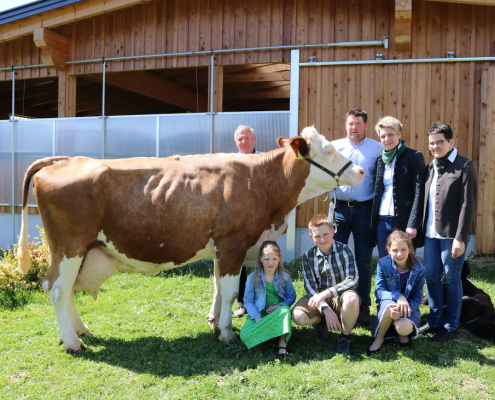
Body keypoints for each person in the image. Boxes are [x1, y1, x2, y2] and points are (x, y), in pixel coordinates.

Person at [419, 122, 478, 342]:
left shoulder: (464, 165)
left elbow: (467, 205)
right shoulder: (430, 167)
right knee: (431, 277)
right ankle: (435, 321)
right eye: (431, 143)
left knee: (452, 279)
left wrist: (460, 239)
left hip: (452, 236)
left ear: (450, 142)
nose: (435, 147)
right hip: (431, 234)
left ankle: (451, 325)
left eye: (439, 142)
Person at [329, 108, 383, 325]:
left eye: (358, 124)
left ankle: (363, 307)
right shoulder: (334, 147)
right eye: (350, 123)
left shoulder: (377, 148)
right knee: (336, 258)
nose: (354, 128)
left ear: (366, 126)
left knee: (363, 260)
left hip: (364, 210)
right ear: (346, 125)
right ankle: (336, 304)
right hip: (339, 209)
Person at [292, 214, 360, 355]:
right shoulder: (308, 256)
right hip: (317, 297)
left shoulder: (344, 250)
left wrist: (327, 293)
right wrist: (325, 309)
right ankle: (322, 322)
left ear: (333, 231)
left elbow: (353, 279)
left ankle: (344, 337)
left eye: (325, 234)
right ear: (311, 237)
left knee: (352, 299)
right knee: (298, 316)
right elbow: (310, 287)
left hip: (340, 297)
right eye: (317, 236)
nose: (322, 239)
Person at [371, 116, 426, 258]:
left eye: (390, 135)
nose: (387, 139)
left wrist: (413, 223)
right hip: (382, 220)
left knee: (403, 262)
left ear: (399, 134)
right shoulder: (380, 160)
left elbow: (419, 193)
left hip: (403, 220)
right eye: (383, 136)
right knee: (385, 261)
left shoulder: (413, 156)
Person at [367, 230, 425, 355]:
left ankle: (399, 332)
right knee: (390, 306)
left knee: (403, 328)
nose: (399, 254)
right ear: (388, 249)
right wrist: (398, 297)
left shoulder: (419, 269)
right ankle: (379, 338)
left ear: (410, 249)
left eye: (403, 249)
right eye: (395, 250)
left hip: (409, 309)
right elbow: (379, 292)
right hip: (388, 306)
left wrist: (403, 310)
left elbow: (417, 298)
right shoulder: (383, 264)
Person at [240, 240, 296, 356]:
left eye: (274, 259)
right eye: (267, 259)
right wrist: (256, 318)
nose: (271, 262)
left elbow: (291, 296)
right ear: (260, 259)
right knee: (244, 334)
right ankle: (269, 332)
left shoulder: (284, 277)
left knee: (285, 311)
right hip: (261, 315)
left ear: (279, 258)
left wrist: (279, 306)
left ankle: (281, 342)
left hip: (278, 315)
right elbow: (248, 300)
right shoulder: (253, 277)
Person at [232, 125, 262, 318]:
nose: (244, 142)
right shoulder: (231, 162)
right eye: (240, 139)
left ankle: (262, 300)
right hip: (237, 219)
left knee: (264, 257)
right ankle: (242, 302)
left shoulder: (264, 160)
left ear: (254, 138)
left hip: (261, 218)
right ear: (235, 141)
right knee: (239, 259)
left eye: (247, 138)